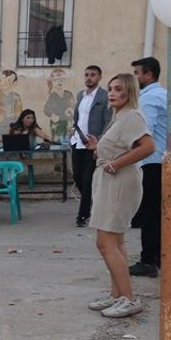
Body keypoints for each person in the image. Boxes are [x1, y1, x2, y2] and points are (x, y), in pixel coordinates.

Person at [85, 73, 156, 318]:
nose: (112, 93)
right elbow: (121, 146)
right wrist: (99, 148)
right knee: (116, 241)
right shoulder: (120, 117)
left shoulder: (133, 116)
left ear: (129, 92)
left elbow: (148, 146)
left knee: (105, 242)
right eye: (110, 89)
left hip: (119, 182)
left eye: (118, 89)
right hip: (111, 181)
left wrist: (116, 163)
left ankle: (129, 298)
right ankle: (118, 294)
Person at [128, 56, 167, 278]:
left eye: (137, 73)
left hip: (152, 162)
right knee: (158, 213)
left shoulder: (150, 99)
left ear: (148, 75)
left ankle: (148, 260)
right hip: (161, 160)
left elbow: (144, 132)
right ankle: (160, 257)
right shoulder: (162, 95)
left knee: (150, 214)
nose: (136, 78)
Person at [70, 65, 110, 228]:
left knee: (87, 179)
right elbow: (77, 117)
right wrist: (72, 130)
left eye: (93, 75)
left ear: (99, 77)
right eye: (86, 75)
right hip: (77, 141)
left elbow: (107, 121)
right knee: (77, 176)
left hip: (92, 144)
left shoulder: (104, 96)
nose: (89, 78)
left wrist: (100, 141)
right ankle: (92, 203)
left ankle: (83, 215)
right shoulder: (81, 95)